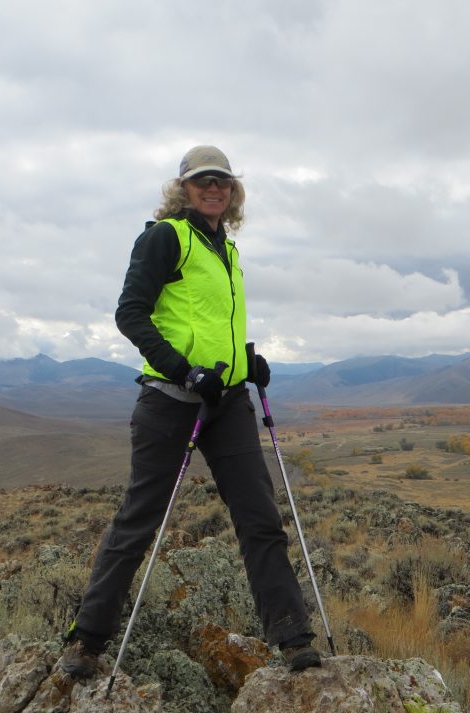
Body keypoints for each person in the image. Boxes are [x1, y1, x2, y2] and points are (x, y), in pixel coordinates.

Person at [60, 145, 320, 677]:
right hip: (169, 402)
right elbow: (130, 313)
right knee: (139, 521)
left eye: (222, 181)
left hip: (227, 404)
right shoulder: (165, 238)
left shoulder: (227, 250)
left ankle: (293, 638)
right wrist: (182, 370)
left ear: (233, 191)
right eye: (203, 181)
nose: (214, 188)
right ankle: (86, 639)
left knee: (260, 519)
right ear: (184, 187)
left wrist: (244, 361)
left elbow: (209, 323)